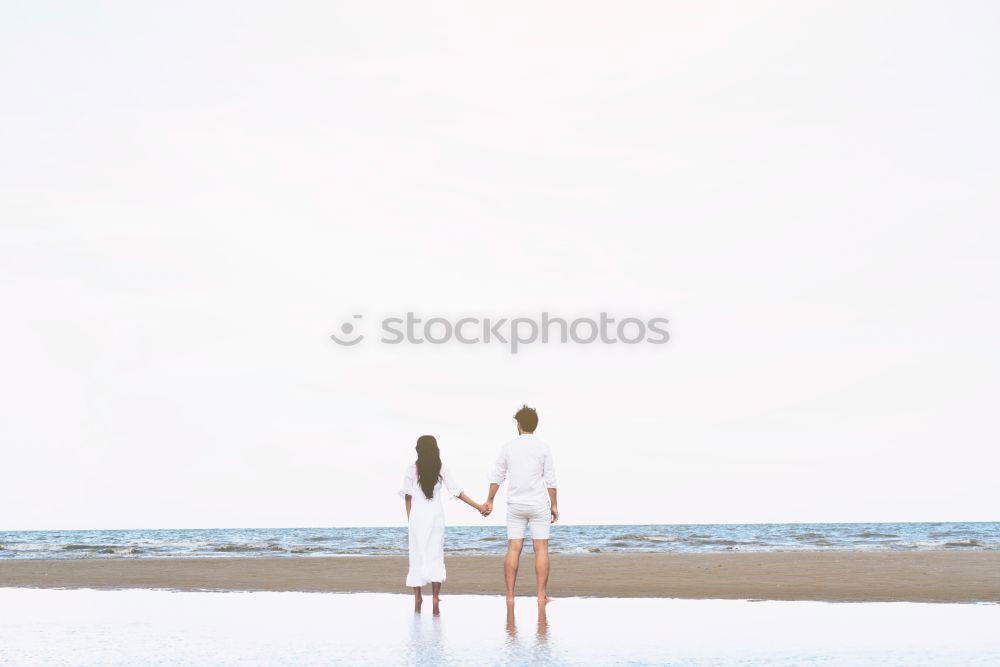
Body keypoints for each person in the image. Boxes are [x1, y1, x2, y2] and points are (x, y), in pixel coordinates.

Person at [482, 405, 558, 604]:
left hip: (515, 504)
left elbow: (498, 475)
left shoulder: (508, 447)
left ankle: (510, 596)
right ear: (535, 425)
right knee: (541, 549)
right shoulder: (543, 447)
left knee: (513, 548)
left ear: (519, 425)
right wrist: (554, 505)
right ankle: (541, 595)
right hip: (538, 503)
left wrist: (490, 499)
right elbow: (550, 480)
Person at [400, 435, 484, 613]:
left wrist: (410, 520)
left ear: (419, 450)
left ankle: (418, 596)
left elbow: (407, 498)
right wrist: (478, 506)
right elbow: (457, 491)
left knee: (417, 556)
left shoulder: (411, 469)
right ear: (435, 449)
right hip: (435, 518)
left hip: (417, 518)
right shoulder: (441, 468)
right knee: (435, 555)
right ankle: (436, 597)